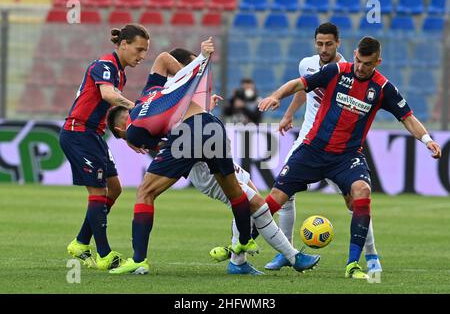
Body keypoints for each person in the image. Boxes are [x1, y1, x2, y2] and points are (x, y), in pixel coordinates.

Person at [106, 38, 320, 275]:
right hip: (200, 164)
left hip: (203, 138)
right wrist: (192, 78)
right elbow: (169, 137)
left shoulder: (163, 99)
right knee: (254, 204)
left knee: (249, 199)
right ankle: (291, 256)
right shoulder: (170, 93)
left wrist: (199, 97)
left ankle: (238, 260)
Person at [258, 36, 442, 279]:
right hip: (313, 149)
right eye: (358, 60)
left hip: (346, 157)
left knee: (361, 191)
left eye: (367, 63)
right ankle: (240, 246)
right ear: (354, 53)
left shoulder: (383, 88)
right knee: (274, 199)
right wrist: (276, 96)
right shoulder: (336, 71)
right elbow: (299, 84)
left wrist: (427, 140)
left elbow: (407, 117)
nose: (360, 67)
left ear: (378, 61)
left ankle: (353, 264)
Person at [265, 23, 382, 273]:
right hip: (308, 141)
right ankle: (287, 252)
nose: (324, 48)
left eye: (329, 44)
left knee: (355, 201)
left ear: (338, 43)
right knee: (285, 195)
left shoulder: (343, 71)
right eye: (319, 43)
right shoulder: (307, 64)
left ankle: (371, 254)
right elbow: (303, 88)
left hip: (338, 144)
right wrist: (288, 115)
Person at [59, 24, 150, 270]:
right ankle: (104, 255)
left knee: (115, 188)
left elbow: (108, 109)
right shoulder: (106, 66)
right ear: (123, 45)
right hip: (78, 133)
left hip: (93, 134)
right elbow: (109, 95)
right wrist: (138, 108)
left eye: (145, 52)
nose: (142, 56)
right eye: (139, 50)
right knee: (98, 193)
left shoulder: (120, 72)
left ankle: (80, 242)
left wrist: (126, 135)